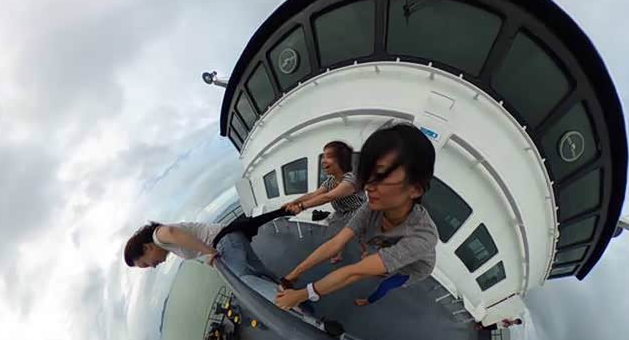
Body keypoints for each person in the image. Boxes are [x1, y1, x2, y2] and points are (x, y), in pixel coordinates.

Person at [275, 122, 438, 312]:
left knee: (386, 283)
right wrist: (292, 276)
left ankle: (368, 301)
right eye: (368, 173)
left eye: (381, 175)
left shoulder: (422, 237)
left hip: (413, 268)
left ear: (415, 189)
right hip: (385, 243)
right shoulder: (372, 207)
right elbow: (335, 243)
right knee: (371, 259)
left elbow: (354, 273)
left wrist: (300, 295)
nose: (368, 185)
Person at [123, 208, 289, 279]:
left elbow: (171, 232)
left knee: (245, 280)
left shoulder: (158, 236)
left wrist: (210, 252)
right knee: (261, 271)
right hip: (231, 237)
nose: (152, 266)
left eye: (145, 263)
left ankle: (291, 304)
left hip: (224, 241)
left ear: (146, 247)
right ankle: (292, 296)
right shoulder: (169, 246)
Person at [284, 141, 365, 228]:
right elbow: (315, 194)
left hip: (359, 219)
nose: (323, 161)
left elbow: (328, 197)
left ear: (342, 160)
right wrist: (293, 202)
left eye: (329, 157)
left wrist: (301, 206)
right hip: (341, 218)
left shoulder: (351, 179)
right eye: (323, 157)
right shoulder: (331, 180)